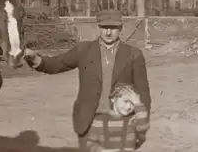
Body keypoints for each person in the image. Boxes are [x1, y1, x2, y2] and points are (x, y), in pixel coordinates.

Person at [23, 9, 151, 152]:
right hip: (89, 123)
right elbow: (56, 64)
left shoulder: (133, 55)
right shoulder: (83, 50)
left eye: (113, 28)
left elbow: (143, 93)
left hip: (122, 124)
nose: (108, 32)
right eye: (104, 27)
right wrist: (35, 58)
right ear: (98, 26)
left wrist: (141, 125)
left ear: (121, 27)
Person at [83, 83, 149, 152]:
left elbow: (143, 127)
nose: (129, 107)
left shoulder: (133, 120)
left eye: (133, 104)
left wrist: (138, 104)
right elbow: (90, 143)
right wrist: (100, 150)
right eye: (125, 101)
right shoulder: (99, 120)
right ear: (113, 98)